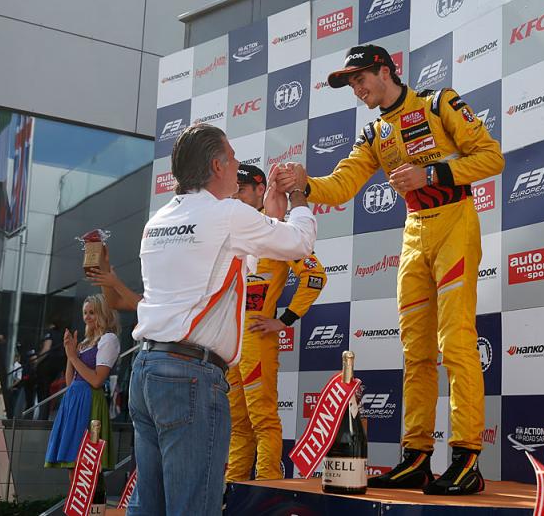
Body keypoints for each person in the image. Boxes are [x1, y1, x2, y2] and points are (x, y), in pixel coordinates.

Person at [278, 45, 505, 495]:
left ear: (385, 71)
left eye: (361, 79)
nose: (357, 90)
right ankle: (416, 457)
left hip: (455, 222)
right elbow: (342, 184)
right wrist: (305, 184)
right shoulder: (374, 133)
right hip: (415, 231)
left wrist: (432, 175)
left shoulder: (438, 103)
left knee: (456, 341)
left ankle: (466, 459)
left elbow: (491, 157)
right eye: (351, 84)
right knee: (416, 351)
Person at [126, 123, 316, 515]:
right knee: (194, 507)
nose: (237, 165)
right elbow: (299, 242)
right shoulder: (227, 215)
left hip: (145, 370)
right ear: (217, 166)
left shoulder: (158, 219)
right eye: (232, 158)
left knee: (149, 508)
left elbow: (236, 263)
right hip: (190, 375)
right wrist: (298, 194)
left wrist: (271, 218)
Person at [225, 165, 327, 484]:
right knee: (237, 424)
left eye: (242, 190)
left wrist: (283, 321)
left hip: (256, 341)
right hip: (229, 344)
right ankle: (232, 489)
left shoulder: (277, 232)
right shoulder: (232, 231)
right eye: (233, 190)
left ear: (260, 191)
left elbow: (314, 276)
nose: (236, 196)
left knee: (263, 419)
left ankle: (267, 487)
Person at [44, 294, 119, 476]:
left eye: (92, 312)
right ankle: (78, 496)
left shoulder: (108, 339)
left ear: (103, 313)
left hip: (90, 400)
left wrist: (73, 357)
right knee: (72, 463)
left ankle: (94, 496)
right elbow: (71, 382)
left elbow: (97, 380)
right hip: (74, 399)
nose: (87, 317)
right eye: (85, 313)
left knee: (87, 464)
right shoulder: (85, 343)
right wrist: (70, 353)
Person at [35, 321, 66, 420]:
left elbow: (46, 349)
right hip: (59, 366)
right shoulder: (61, 335)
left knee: (43, 392)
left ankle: (42, 417)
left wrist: (36, 362)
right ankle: (46, 416)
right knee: (51, 392)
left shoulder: (49, 333)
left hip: (47, 366)